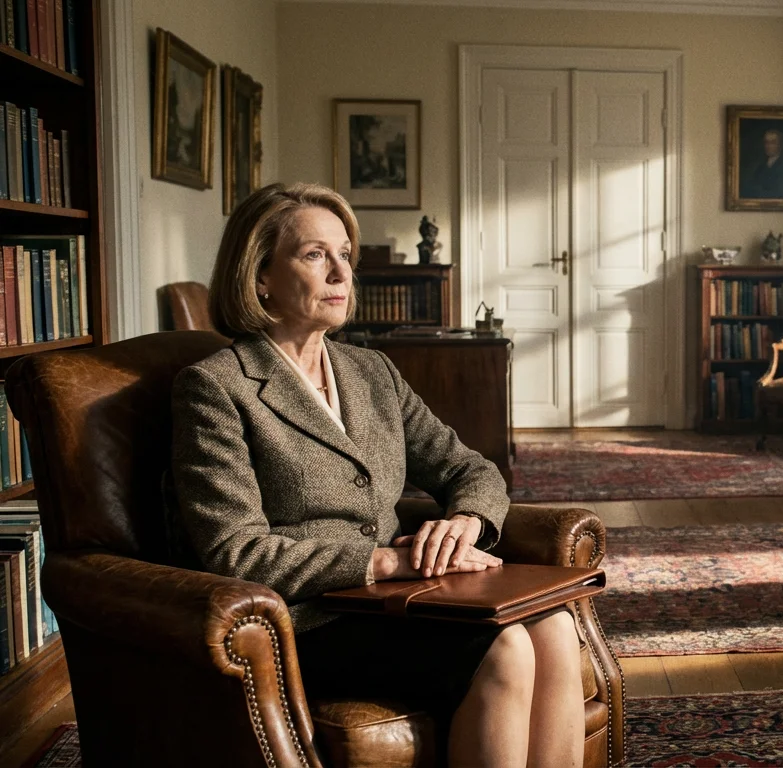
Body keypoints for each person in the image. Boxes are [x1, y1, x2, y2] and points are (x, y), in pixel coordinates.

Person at [170, 182, 584, 767]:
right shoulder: (216, 387)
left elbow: (469, 467)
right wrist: (388, 562)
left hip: (403, 600)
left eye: (345, 254)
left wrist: (465, 522)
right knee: (507, 648)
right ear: (260, 276)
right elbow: (235, 552)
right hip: (308, 620)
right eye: (315, 255)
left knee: (556, 629)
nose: (342, 273)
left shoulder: (372, 372)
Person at [741, 127, 783, 199]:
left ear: (780, 145)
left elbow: (782, 194)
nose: (768, 146)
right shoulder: (760, 167)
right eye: (766, 142)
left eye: (773, 143)